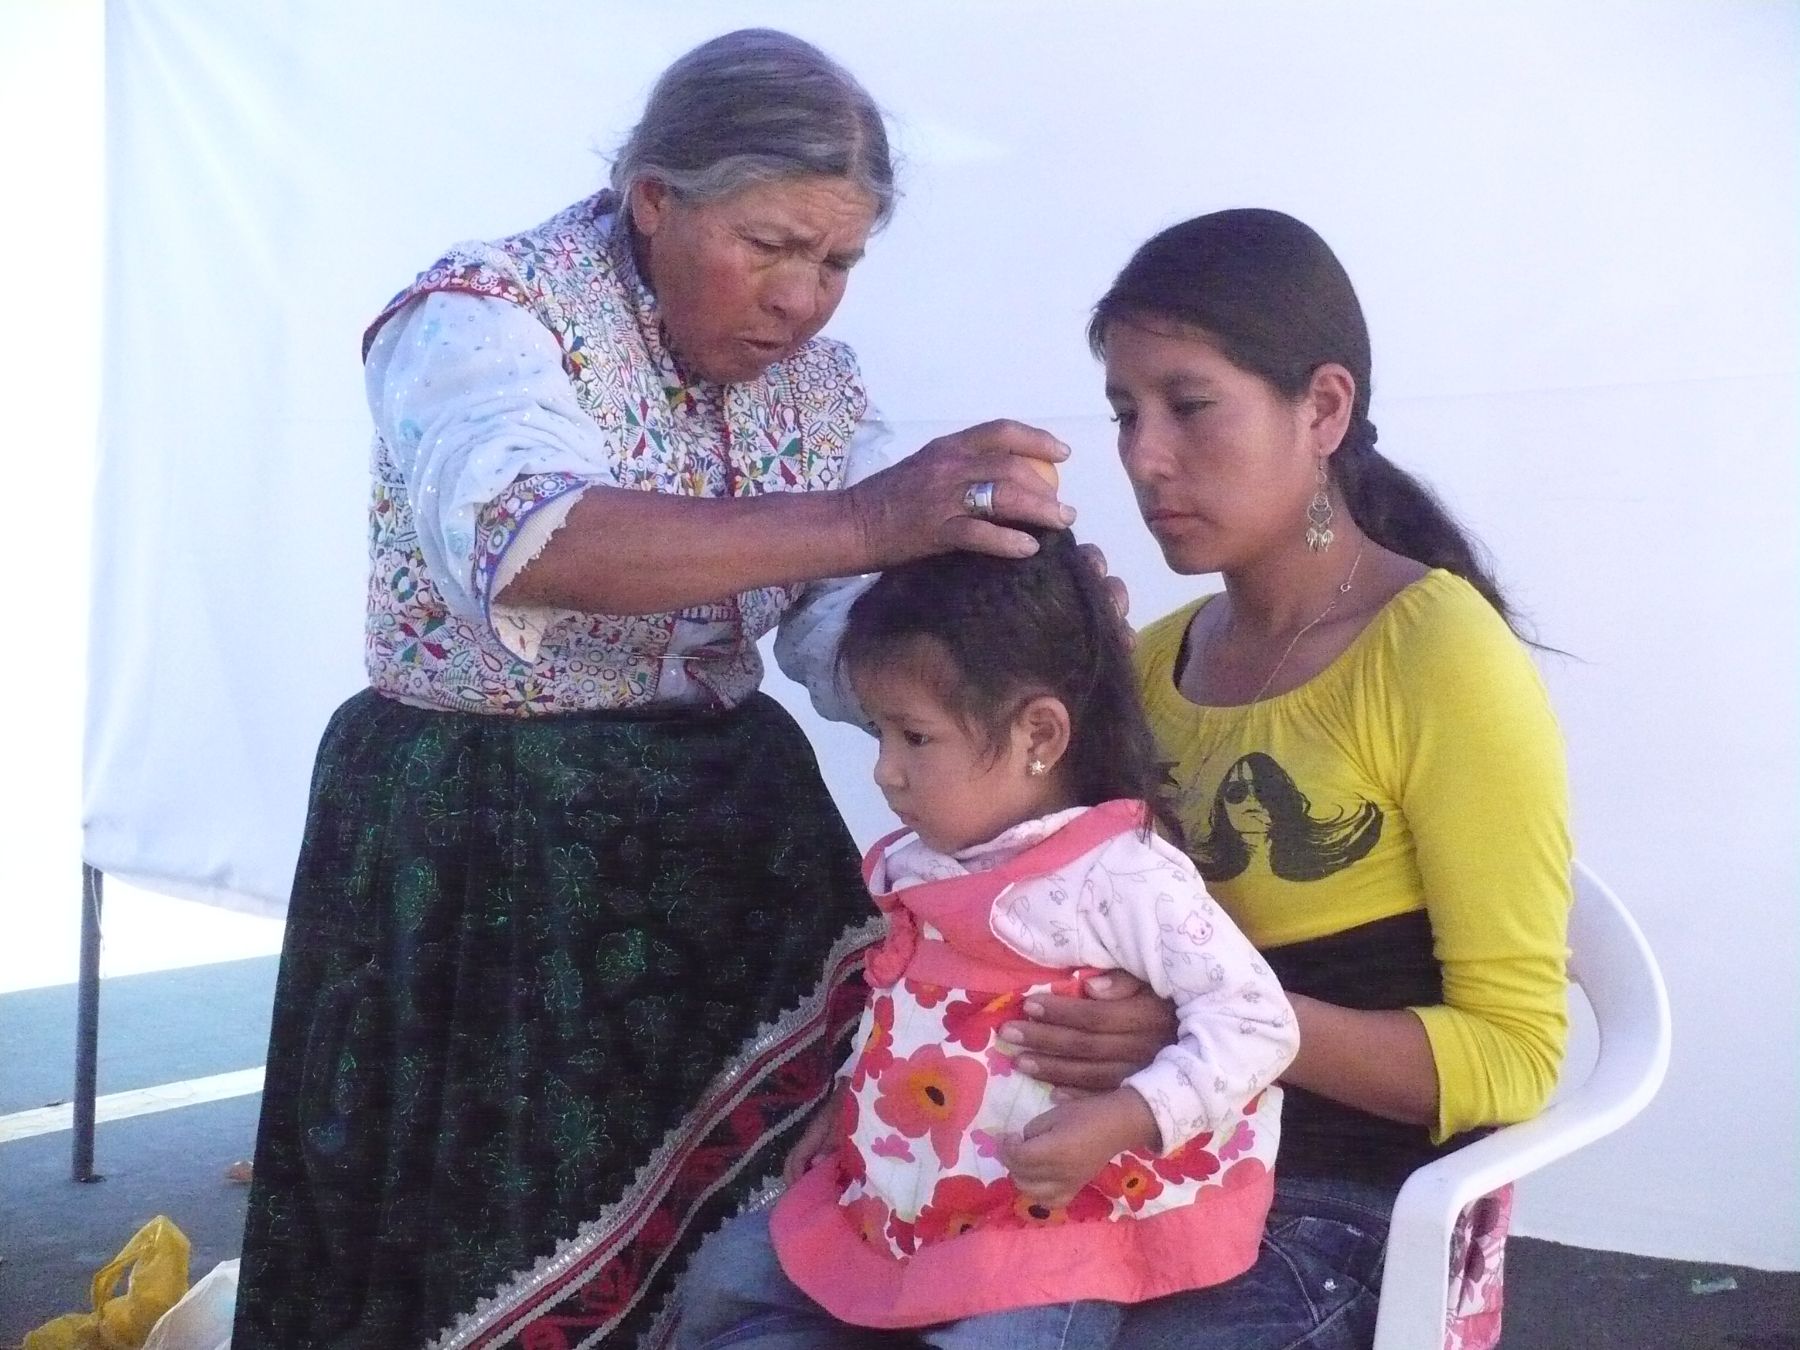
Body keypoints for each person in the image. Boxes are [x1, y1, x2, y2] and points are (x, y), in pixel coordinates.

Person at [232, 30, 1082, 1350]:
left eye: (838, 261)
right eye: (771, 244)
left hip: (715, 830)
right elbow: (534, 537)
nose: (803, 299)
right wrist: (869, 518)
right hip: (481, 839)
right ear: (654, 199)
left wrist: (1017, 634)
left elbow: (839, 625)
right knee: (478, 1227)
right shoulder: (482, 316)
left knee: (754, 1231)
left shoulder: (810, 388)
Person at [1044, 207, 1569, 1350]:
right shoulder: (1153, 658)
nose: (1144, 455)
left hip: (1340, 1201)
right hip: (1153, 1160)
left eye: (1189, 407)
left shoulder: (1435, 653)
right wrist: (1045, 679)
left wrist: (1203, 1023)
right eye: (1125, 414)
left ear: (1322, 408)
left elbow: (1516, 1057)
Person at [677, 530, 1299, 1350]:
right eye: (880, 736)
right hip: (921, 1193)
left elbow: (1257, 1021)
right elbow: (908, 1005)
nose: (886, 772)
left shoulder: (1121, 874)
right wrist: (848, 1105)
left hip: (1050, 1229)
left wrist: (1126, 1116)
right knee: (730, 1277)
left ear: (1040, 737)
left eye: (915, 737)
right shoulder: (926, 863)